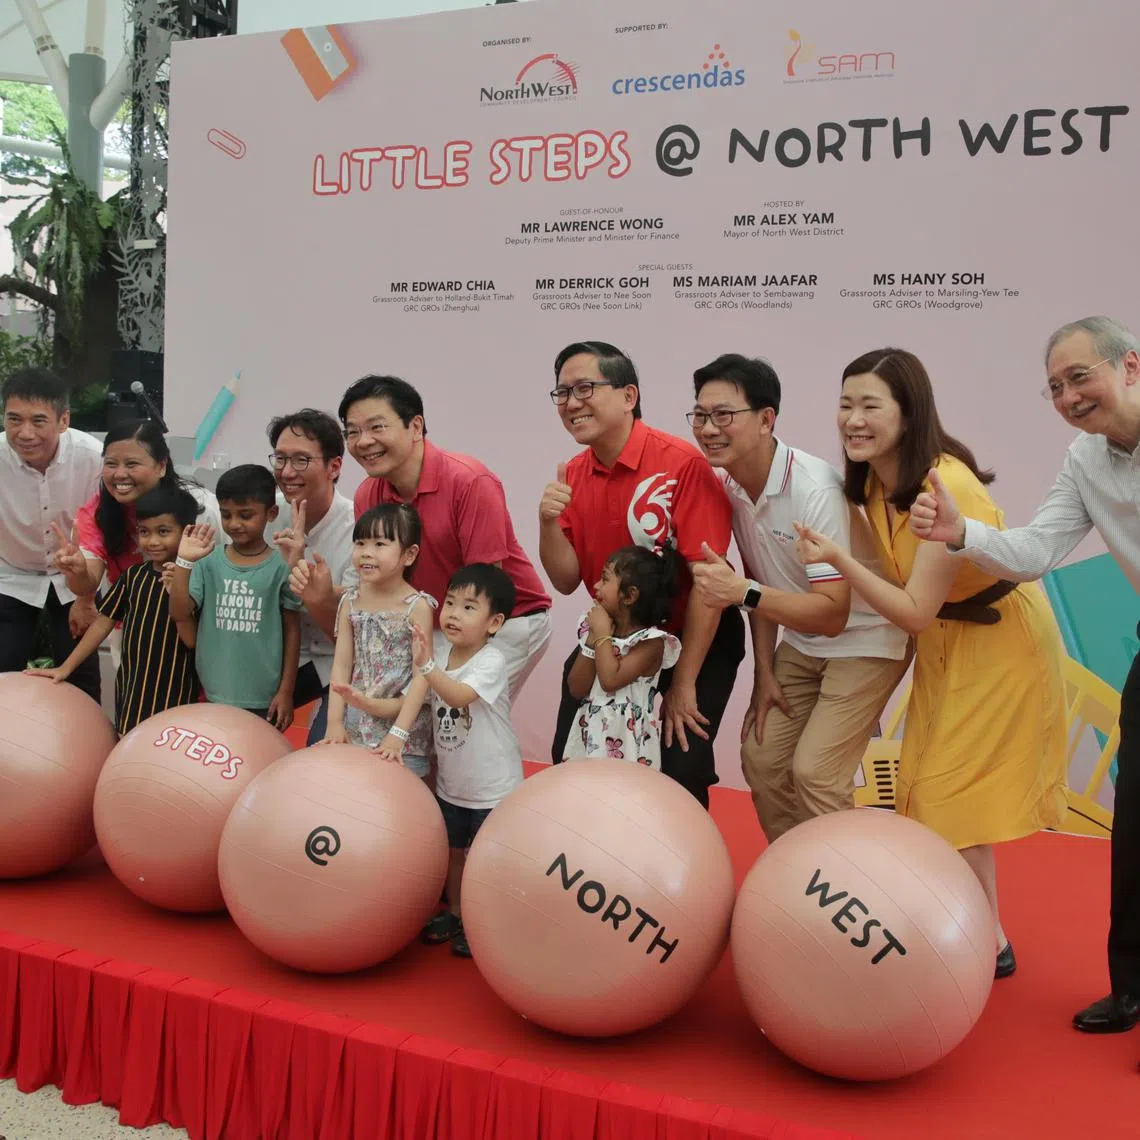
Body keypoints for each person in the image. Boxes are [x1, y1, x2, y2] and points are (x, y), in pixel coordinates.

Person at [793, 347, 1069, 981]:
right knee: (927, 789)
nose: (853, 420)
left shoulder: (949, 483)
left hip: (1001, 646)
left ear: (908, 412)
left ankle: (987, 942)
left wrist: (839, 555)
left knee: (950, 797)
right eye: (845, 404)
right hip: (947, 646)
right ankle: (983, 934)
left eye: (870, 406)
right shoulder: (869, 482)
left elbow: (914, 608)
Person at [908, 316, 1140, 1033]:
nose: (1069, 396)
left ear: (1130, 366)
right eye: (1055, 388)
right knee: (1133, 833)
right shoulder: (1086, 459)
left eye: (1080, 377)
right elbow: (1038, 550)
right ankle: (1132, 991)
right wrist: (961, 534)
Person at [687, 354, 911, 841]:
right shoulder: (727, 486)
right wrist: (764, 672)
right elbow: (759, 587)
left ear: (766, 419)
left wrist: (743, 592)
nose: (708, 429)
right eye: (701, 416)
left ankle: (844, 893)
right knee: (762, 758)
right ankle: (794, 881)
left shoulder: (815, 490)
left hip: (867, 640)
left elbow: (832, 614)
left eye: (724, 415)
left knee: (816, 775)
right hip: (804, 644)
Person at [539, 341, 745, 808]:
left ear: (629, 395)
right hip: (616, 633)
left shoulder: (682, 464)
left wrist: (685, 682)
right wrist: (548, 522)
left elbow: (710, 585)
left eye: (585, 388)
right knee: (571, 755)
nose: (572, 402)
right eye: (562, 393)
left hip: (692, 634)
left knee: (678, 769)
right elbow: (566, 579)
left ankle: (683, 877)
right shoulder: (573, 472)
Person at [335, 375, 551, 700]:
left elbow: (485, 585)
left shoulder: (469, 480)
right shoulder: (369, 494)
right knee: (420, 720)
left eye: (377, 427)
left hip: (505, 620)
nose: (363, 441)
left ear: (416, 426)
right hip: (436, 623)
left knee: (459, 722)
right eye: (352, 432)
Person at [410, 564, 522, 959]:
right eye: (451, 602)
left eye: (469, 607)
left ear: (494, 623)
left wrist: (425, 667)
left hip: (494, 787)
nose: (454, 613)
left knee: (488, 862)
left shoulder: (491, 661)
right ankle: (456, 913)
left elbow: (457, 696)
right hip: (453, 785)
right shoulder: (439, 653)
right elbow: (418, 699)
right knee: (454, 853)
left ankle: (486, 921)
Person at [26, 484, 201, 734]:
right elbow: (102, 623)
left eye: (163, 531)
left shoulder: (199, 579)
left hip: (178, 688)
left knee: (168, 750)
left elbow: (193, 638)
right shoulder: (133, 576)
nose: (152, 541)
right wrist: (65, 667)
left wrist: (179, 588)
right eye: (144, 532)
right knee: (127, 741)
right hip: (133, 688)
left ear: (187, 532)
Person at [168, 464, 302, 729]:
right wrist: (183, 562)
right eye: (226, 515)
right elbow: (179, 612)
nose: (234, 524)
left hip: (263, 696)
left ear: (271, 513)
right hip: (211, 690)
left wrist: (286, 691)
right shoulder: (209, 561)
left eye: (245, 515)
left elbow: (293, 630)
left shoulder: (281, 566)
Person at [57, 419, 220, 631]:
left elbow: (220, 575)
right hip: (133, 629)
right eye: (111, 463)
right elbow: (86, 583)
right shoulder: (97, 513)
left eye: (132, 464)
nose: (120, 474)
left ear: (161, 466)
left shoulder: (200, 508)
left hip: (196, 627)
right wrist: (77, 572)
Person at [0, 367, 103, 700]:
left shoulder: (93, 458)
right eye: (14, 419)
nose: (25, 433)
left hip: (75, 575)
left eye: (38, 421)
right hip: (10, 572)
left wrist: (86, 597)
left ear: (63, 420)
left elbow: (103, 529)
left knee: (81, 675)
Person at [322, 504, 435, 780]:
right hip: (356, 725)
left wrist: (397, 735)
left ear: (409, 554)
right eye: (360, 543)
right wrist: (335, 723)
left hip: (403, 734)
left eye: (380, 544)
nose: (367, 552)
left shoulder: (417, 606)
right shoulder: (350, 600)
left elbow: (423, 676)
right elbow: (342, 664)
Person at [266, 408, 356, 743]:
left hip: (341, 661)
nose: (287, 472)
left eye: (302, 460)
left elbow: (354, 635)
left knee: (326, 751)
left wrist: (304, 574)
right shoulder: (266, 514)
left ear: (334, 466)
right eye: (280, 459)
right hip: (277, 657)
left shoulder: (358, 527)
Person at [564, 543, 682, 768]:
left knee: (622, 799)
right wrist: (592, 640)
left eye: (605, 579)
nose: (596, 586)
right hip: (591, 736)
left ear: (629, 596)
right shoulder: (600, 632)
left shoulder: (651, 642)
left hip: (627, 745)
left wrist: (600, 636)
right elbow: (577, 688)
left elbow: (610, 680)